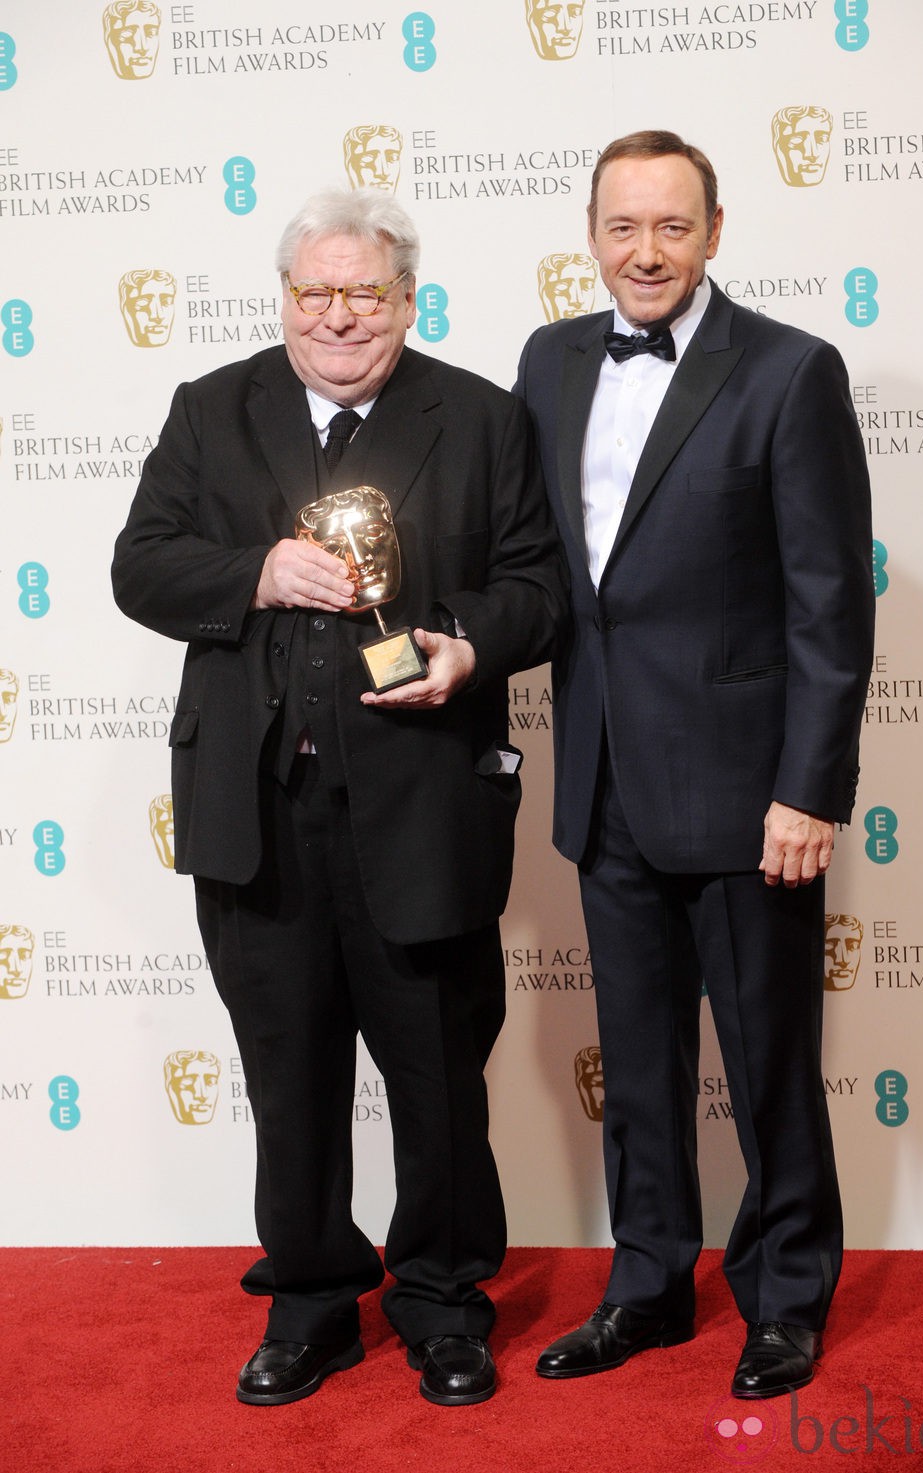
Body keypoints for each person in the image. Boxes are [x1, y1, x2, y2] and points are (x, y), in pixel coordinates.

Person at [112, 187, 565, 1408]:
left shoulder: (477, 416)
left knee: (434, 1074)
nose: (337, 317)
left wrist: (469, 645)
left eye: (364, 293)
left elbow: (536, 585)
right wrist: (255, 571)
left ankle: (441, 1298)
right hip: (253, 815)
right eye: (314, 293)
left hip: (421, 813)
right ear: (283, 300)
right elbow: (139, 566)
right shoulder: (213, 408)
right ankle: (310, 1299)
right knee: (287, 1072)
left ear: (406, 300)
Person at [515, 130, 874, 1399]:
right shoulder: (549, 360)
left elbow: (829, 606)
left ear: (714, 231)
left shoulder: (787, 372)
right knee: (639, 1062)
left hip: (744, 794)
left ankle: (784, 1297)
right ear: (590, 233)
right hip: (602, 780)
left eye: (671, 226)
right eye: (622, 225)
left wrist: (808, 789)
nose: (645, 251)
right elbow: (549, 574)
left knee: (769, 1060)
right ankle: (648, 1284)